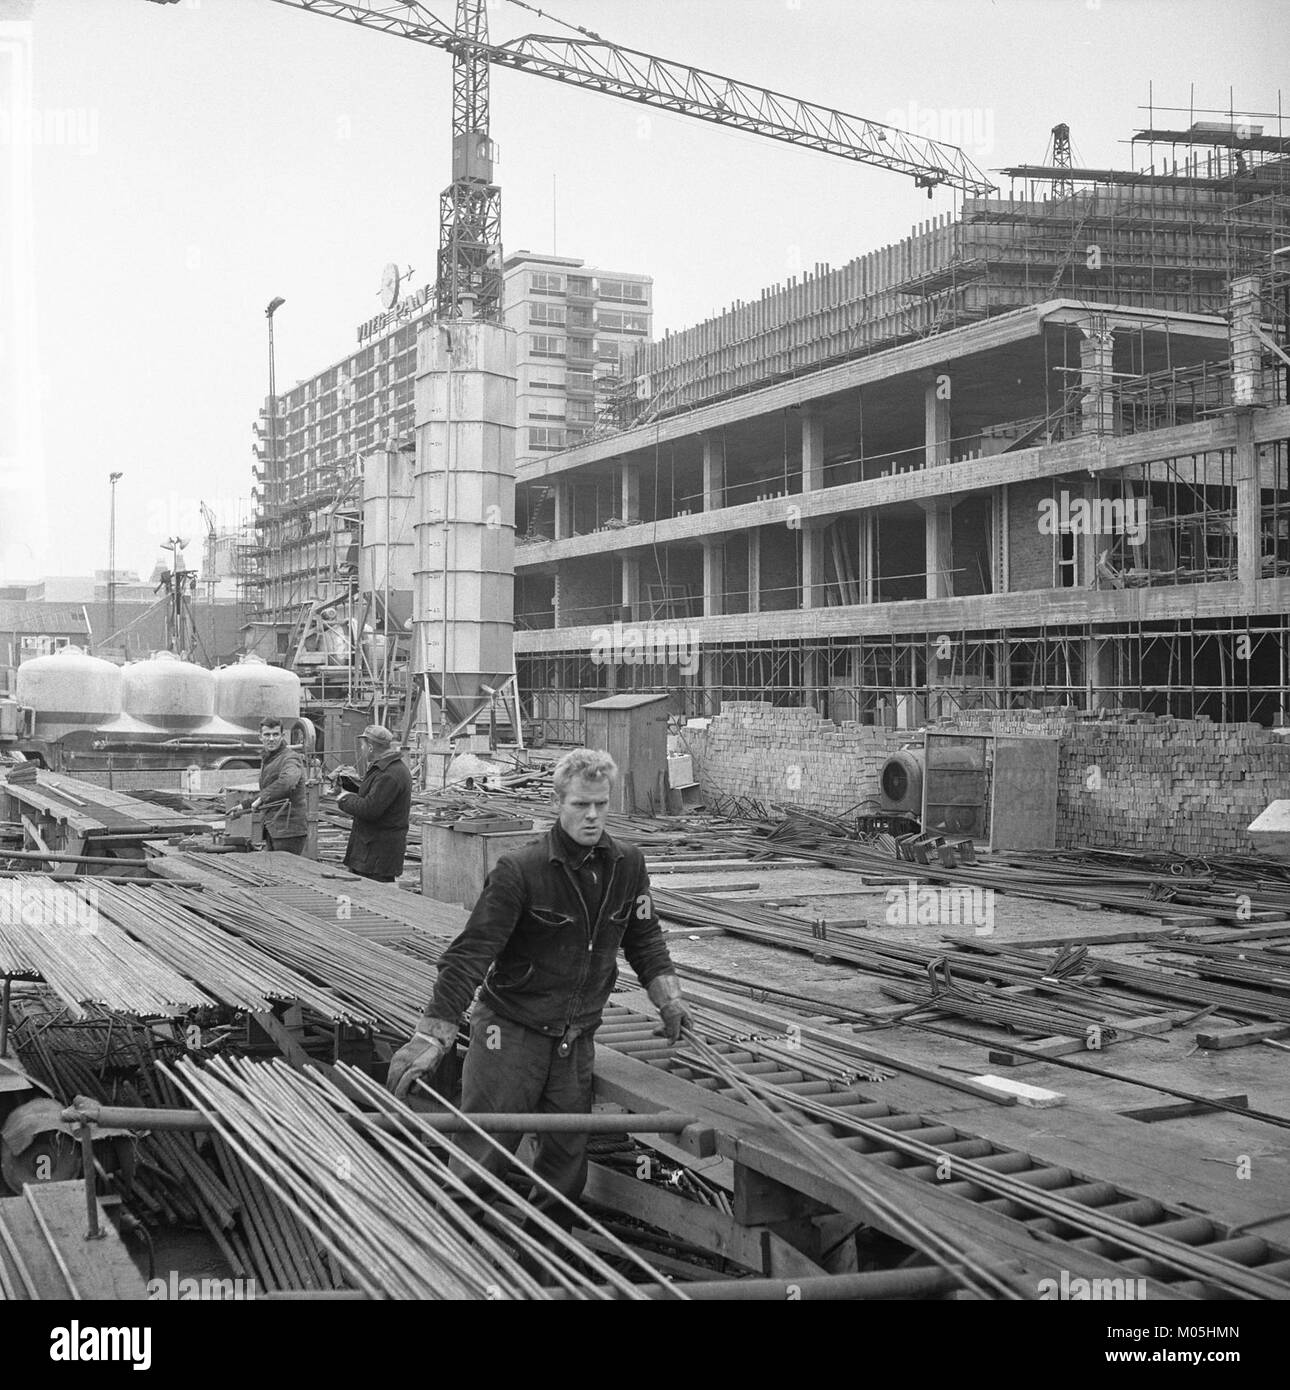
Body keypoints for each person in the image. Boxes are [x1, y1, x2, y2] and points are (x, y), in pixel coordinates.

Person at [385, 747, 693, 1218]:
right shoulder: (520, 871)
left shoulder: (628, 865)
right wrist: (435, 1031)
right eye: (580, 805)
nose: (592, 816)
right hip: (509, 1035)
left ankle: (548, 1274)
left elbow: (645, 938)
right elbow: (472, 954)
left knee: (564, 1173)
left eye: (601, 805)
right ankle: (453, 1261)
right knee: (482, 1159)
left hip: (574, 1042)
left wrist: (669, 999)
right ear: (556, 802)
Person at [334, 724, 412, 883]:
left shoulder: (389, 774)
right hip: (371, 853)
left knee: (374, 901)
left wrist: (343, 798)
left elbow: (370, 809)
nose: (361, 749)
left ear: (370, 747)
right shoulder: (387, 768)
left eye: (362, 745)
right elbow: (374, 794)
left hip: (377, 856)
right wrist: (348, 784)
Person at [232, 718, 307, 855]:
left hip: (288, 832)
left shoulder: (290, 758)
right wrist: (244, 806)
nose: (271, 739)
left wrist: (260, 799)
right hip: (274, 829)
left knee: (285, 873)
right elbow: (269, 790)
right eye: (267, 735)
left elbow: (288, 781)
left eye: (275, 734)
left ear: (282, 736)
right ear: (260, 737)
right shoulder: (269, 758)